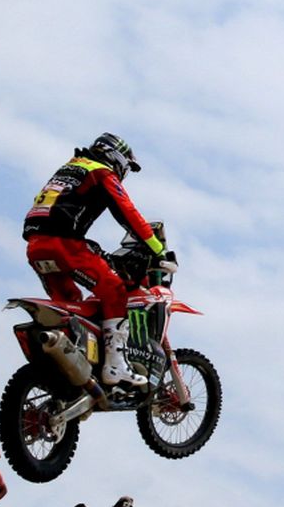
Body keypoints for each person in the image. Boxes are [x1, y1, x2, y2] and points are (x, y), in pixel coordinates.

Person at [22, 133, 177, 386]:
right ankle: (115, 366)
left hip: (36, 247)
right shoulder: (101, 172)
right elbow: (127, 212)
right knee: (115, 292)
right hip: (64, 244)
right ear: (115, 156)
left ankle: (73, 371)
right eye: (126, 166)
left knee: (69, 305)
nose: (124, 171)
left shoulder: (69, 168)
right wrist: (157, 249)